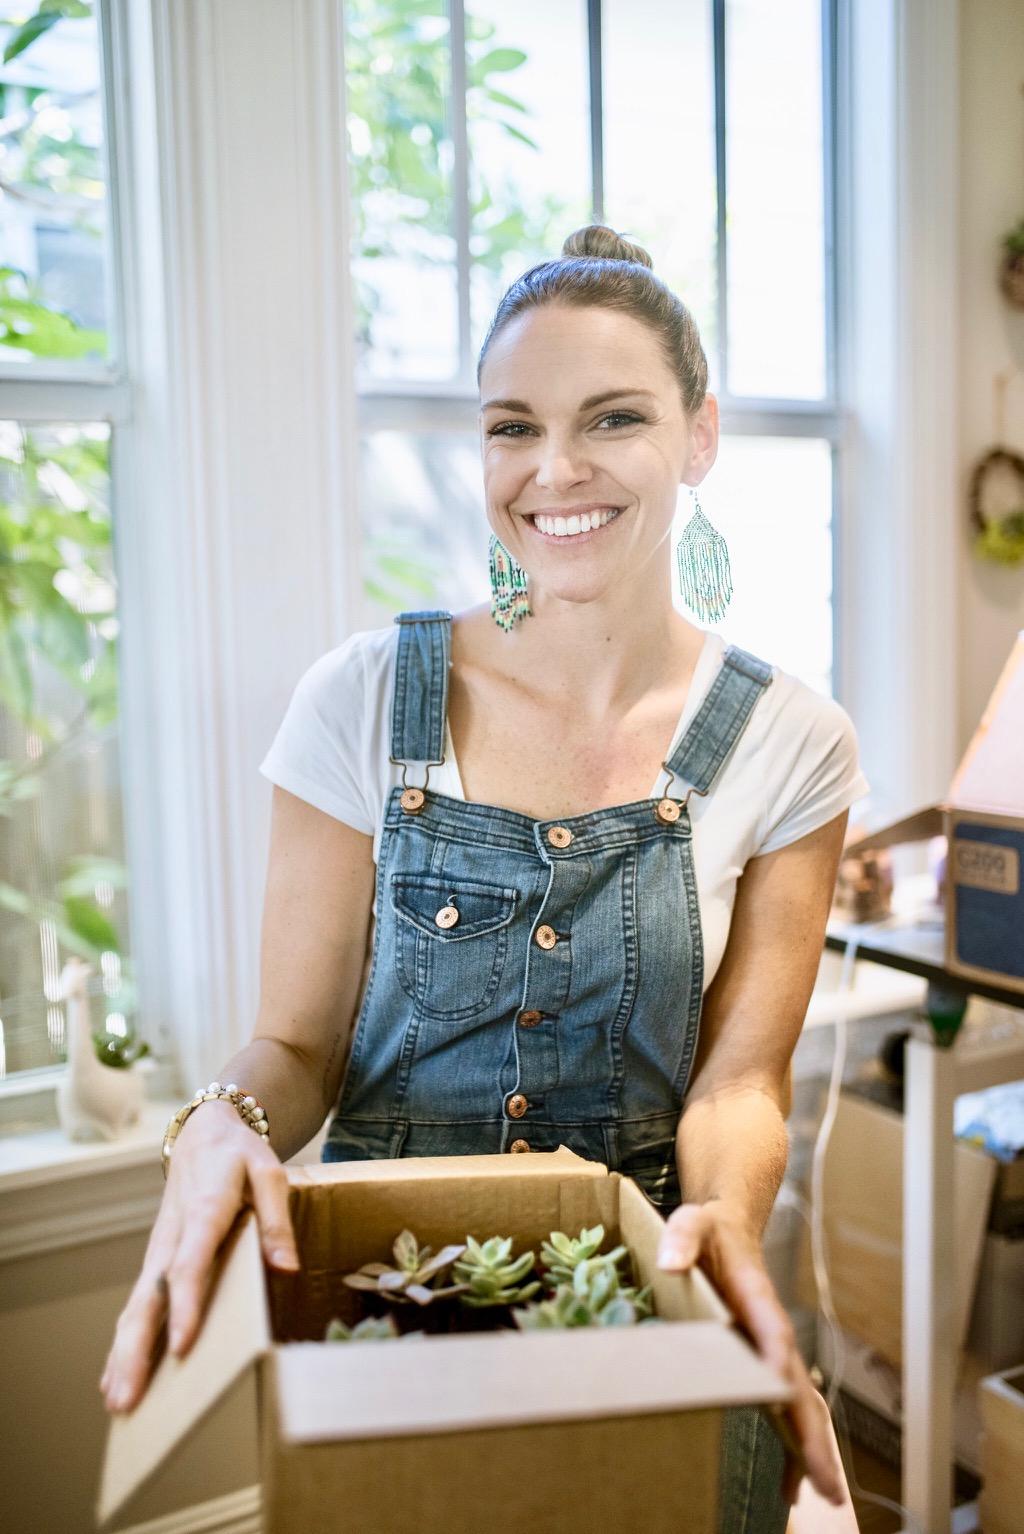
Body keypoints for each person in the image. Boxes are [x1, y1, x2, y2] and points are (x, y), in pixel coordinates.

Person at [101, 225, 867, 1529]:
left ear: (700, 436)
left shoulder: (794, 738)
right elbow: (294, 1045)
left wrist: (729, 1218)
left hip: (654, 1305)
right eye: (513, 425)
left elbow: (739, 1080)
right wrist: (220, 1120)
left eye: (613, 417)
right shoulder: (358, 700)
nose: (553, 469)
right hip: (392, 1323)